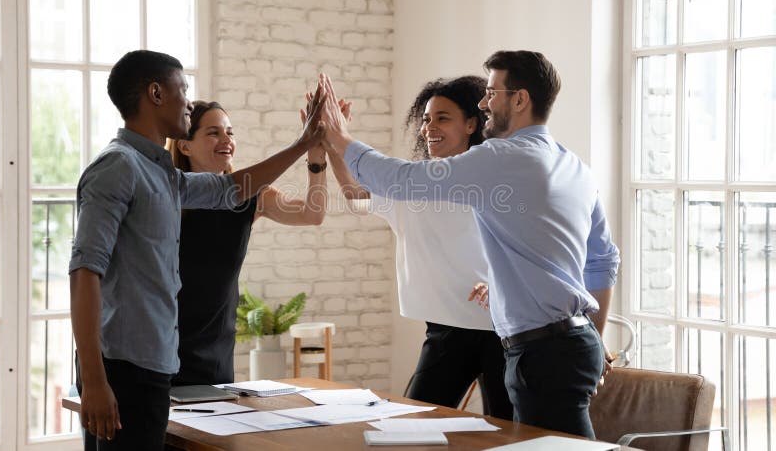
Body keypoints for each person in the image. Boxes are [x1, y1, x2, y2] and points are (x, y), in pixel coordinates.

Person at [318, 50, 620, 438]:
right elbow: (603, 261)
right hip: (567, 342)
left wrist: (340, 137)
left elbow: (400, 180)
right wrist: (594, 336)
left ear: (520, 99)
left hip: (542, 350)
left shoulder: (502, 157)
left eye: (492, 92)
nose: (483, 102)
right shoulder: (574, 165)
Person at [68, 50, 325, 449]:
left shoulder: (160, 173)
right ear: (155, 93)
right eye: (182, 89)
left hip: (154, 368)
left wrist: (304, 143)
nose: (188, 101)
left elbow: (230, 189)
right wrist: (96, 381)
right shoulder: (118, 167)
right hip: (122, 372)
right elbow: (85, 273)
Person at [326, 76, 513, 418]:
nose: (429, 128)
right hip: (445, 330)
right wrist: (331, 142)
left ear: (472, 123)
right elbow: (356, 194)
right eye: (426, 119)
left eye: (442, 117)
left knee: (508, 434)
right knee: (415, 424)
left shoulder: (492, 180)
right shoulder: (412, 183)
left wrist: (502, 282)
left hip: (501, 330)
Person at [167, 99, 328, 386]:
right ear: (185, 146)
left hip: (216, 351)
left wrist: (316, 161)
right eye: (213, 132)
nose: (226, 140)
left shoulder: (251, 197)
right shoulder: (168, 196)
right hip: (164, 348)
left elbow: (312, 213)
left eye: (230, 132)